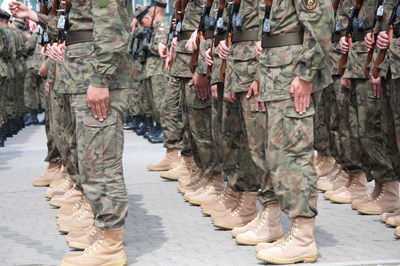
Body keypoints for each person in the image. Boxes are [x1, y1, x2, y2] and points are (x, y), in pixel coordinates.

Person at [255, 0, 334, 263]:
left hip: (292, 77)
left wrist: (305, 75)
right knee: (280, 157)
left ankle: (303, 238)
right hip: (277, 76)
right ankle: (295, 231)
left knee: (294, 155)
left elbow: (320, 23)